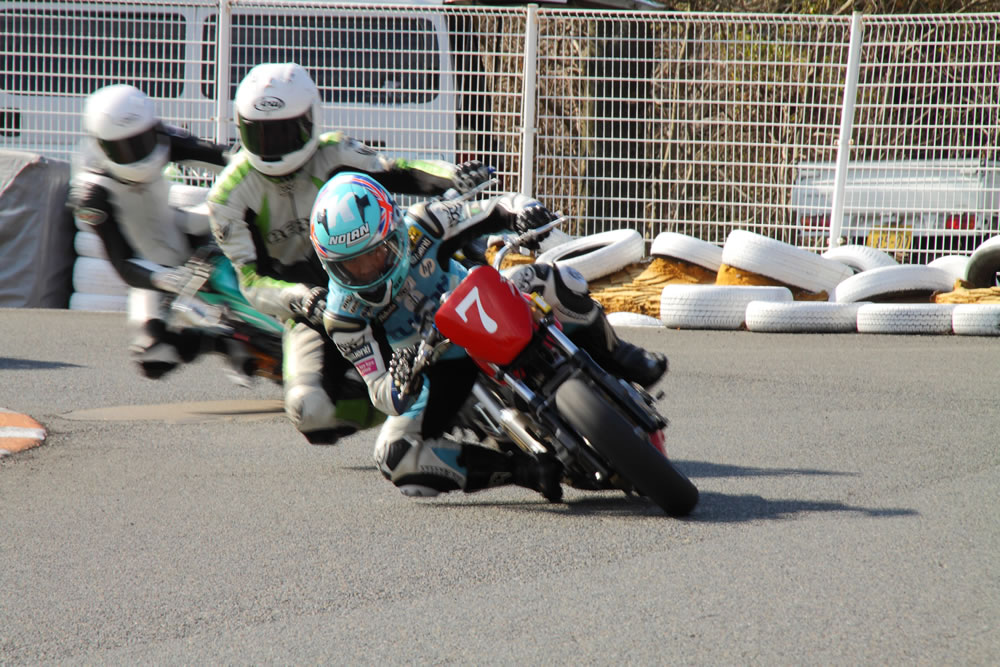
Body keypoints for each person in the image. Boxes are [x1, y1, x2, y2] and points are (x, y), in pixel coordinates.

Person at [307, 172, 669, 502]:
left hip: (482, 303)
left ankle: (620, 354)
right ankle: (521, 471)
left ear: (395, 230)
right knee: (393, 455)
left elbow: (493, 208)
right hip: (433, 364)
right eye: (352, 264)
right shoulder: (341, 315)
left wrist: (523, 212)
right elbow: (379, 390)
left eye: (376, 253)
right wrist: (401, 382)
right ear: (331, 266)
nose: (367, 270)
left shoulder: (424, 223)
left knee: (552, 278)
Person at [206, 62, 491, 445]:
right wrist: (302, 299)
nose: (273, 147)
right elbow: (250, 281)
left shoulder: (335, 151)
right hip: (314, 310)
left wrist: (452, 175)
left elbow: (397, 171)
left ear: (311, 119)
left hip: (387, 275)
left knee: (465, 247)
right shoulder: (227, 196)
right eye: (260, 134)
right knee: (309, 412)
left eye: (285, 132)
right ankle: (403, 403)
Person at [68, 83, 244, 380]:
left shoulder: (162, 137)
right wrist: (164, 279)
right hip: (147, 266)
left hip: (181, 228)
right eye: (124, 148)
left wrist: (250, 165)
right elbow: (121, 261)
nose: (138, 154)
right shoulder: (89, 192)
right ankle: (220, 342)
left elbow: (222, 156)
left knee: (235, 208)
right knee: (153, 356)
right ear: (100, 145)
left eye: (143, 141)